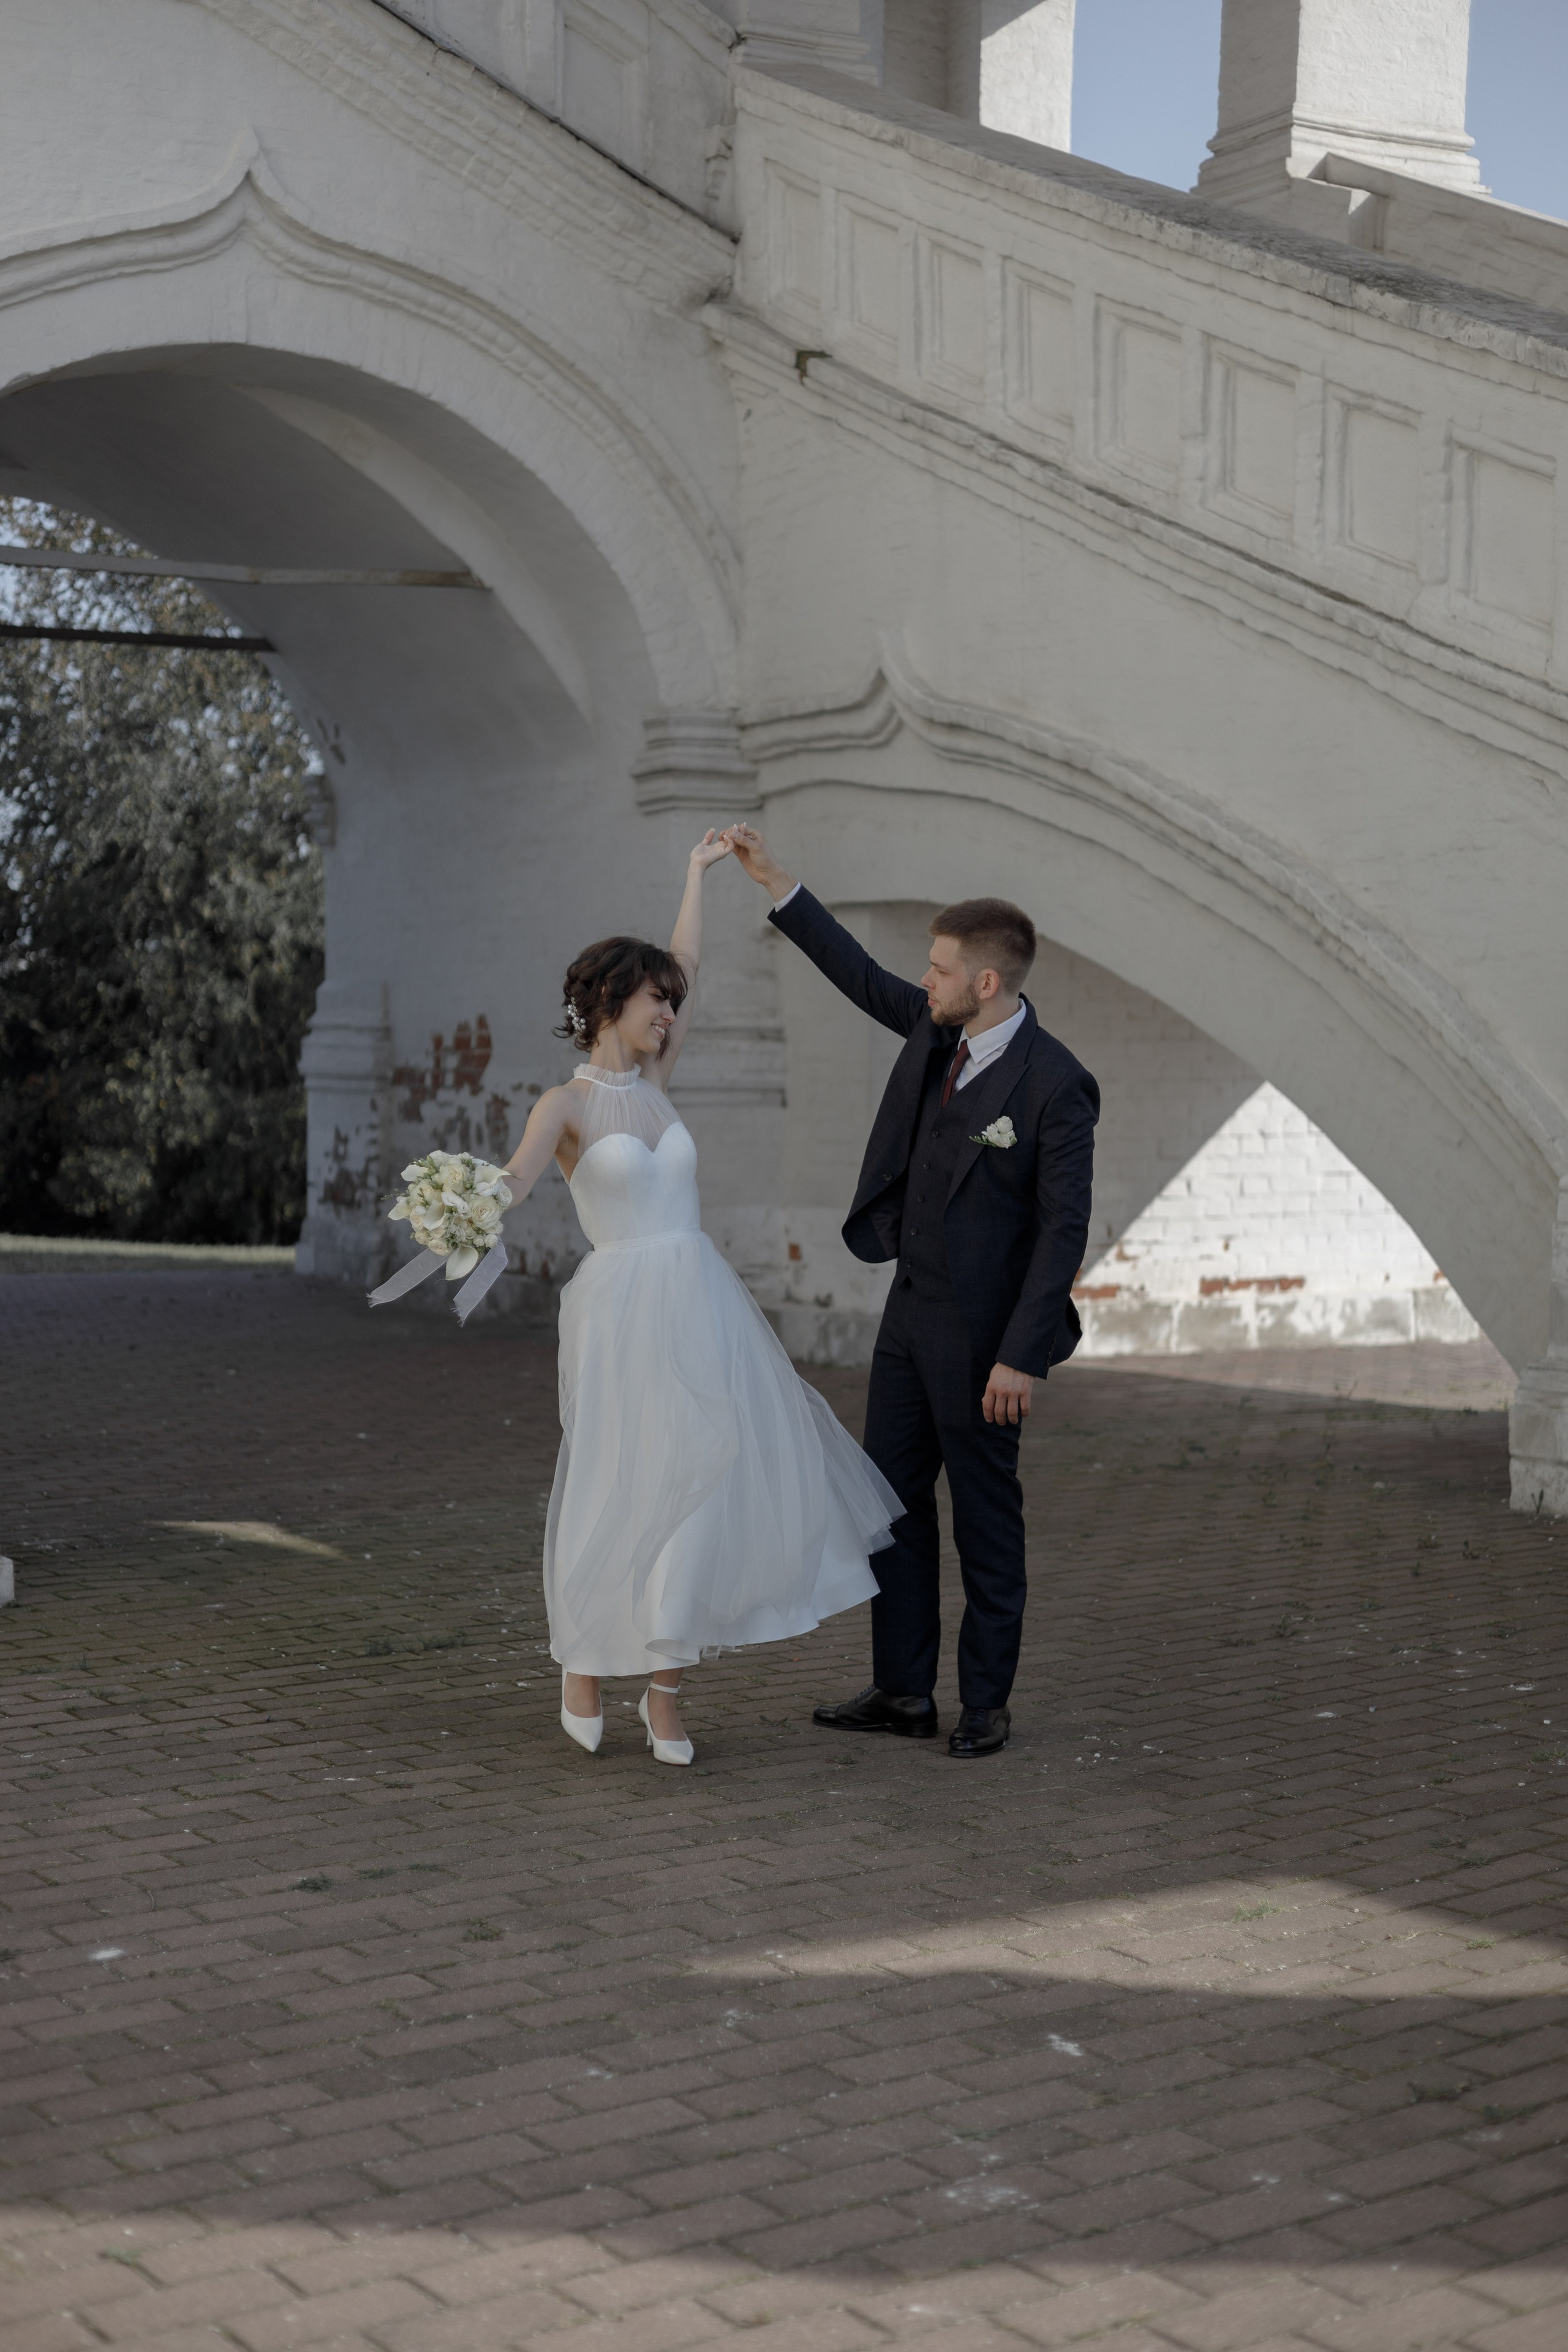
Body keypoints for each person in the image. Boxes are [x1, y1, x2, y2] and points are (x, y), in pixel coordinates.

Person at [497, 830, 899, 1766]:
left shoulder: (656, 1083)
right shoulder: (564, 1105)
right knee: (614, 1483)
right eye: (654, 1005)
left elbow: (688, 961)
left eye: (673, 1009)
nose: (670, 1017)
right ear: (609, 1004)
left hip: (701, 1305)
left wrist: (696, 874)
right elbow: (517, 1182)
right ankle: (586, 1663)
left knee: (703, 1492)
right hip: (620, 1309)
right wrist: (467, 1206)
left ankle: (666, 1693)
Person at [725, 823, 1098, 1760]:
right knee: (886, 1506)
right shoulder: (936, 1033)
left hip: (986, 1345)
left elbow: (1061, 1235)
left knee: (985, 1519)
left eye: (937, 970)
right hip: (908, 1322)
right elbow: (854, 973)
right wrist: (778, 882)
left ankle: (984, 1704)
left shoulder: (1058, 1088)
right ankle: (901, 1690)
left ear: (986, 982)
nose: (921, 982)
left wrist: (1022, 1353)